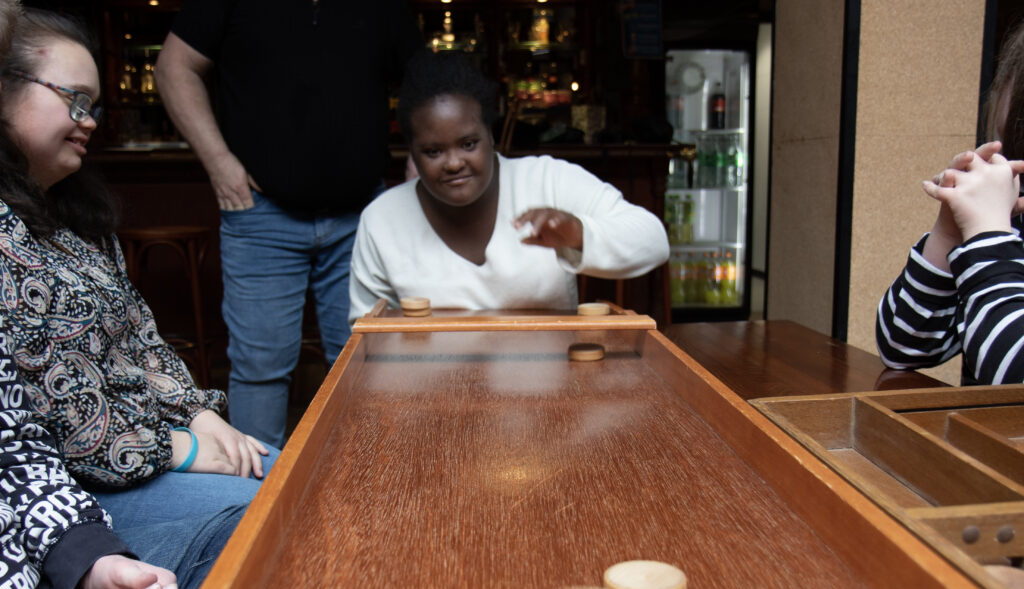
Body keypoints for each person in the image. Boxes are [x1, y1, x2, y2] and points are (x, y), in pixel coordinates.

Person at [0, 8, 274, 531]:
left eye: (93, 107)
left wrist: (200, 416)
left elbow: (143, 340)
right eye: (74, 99)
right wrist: (180, 448)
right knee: (268, 511)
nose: (88, 121)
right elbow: (54, 415)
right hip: (69, 492)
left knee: (290, 470)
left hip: (153, 446)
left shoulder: (77, 217)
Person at [155, 1, 422, 448]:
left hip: (363, 218)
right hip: (260, 215)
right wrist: (219, 162)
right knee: (260, 369)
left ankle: (365, 483)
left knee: (367, 360)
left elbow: (424, 77)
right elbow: (173, 67)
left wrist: (421, 153)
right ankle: (258, 490)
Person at [348, 52, 669, 322]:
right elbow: (365, 336)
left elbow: (653, 241)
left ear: (491, 134)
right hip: (435, 379)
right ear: (412, 152)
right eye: (433, 151)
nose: (454, 163)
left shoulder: (548, 180)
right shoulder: (383, 219)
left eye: (468, 144)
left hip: (552, 376)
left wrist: (577, 234)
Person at [0, 329, 245, 589]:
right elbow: (70, 419)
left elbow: (17, 454)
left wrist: (89, 559)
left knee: (253, 533)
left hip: (32, 580)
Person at [876, 21, 1024, 385]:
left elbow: (1012, 375)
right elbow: (901, 346)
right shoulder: (1013, 223)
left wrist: (988, 235)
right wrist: (949, 233)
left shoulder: (999, 237)